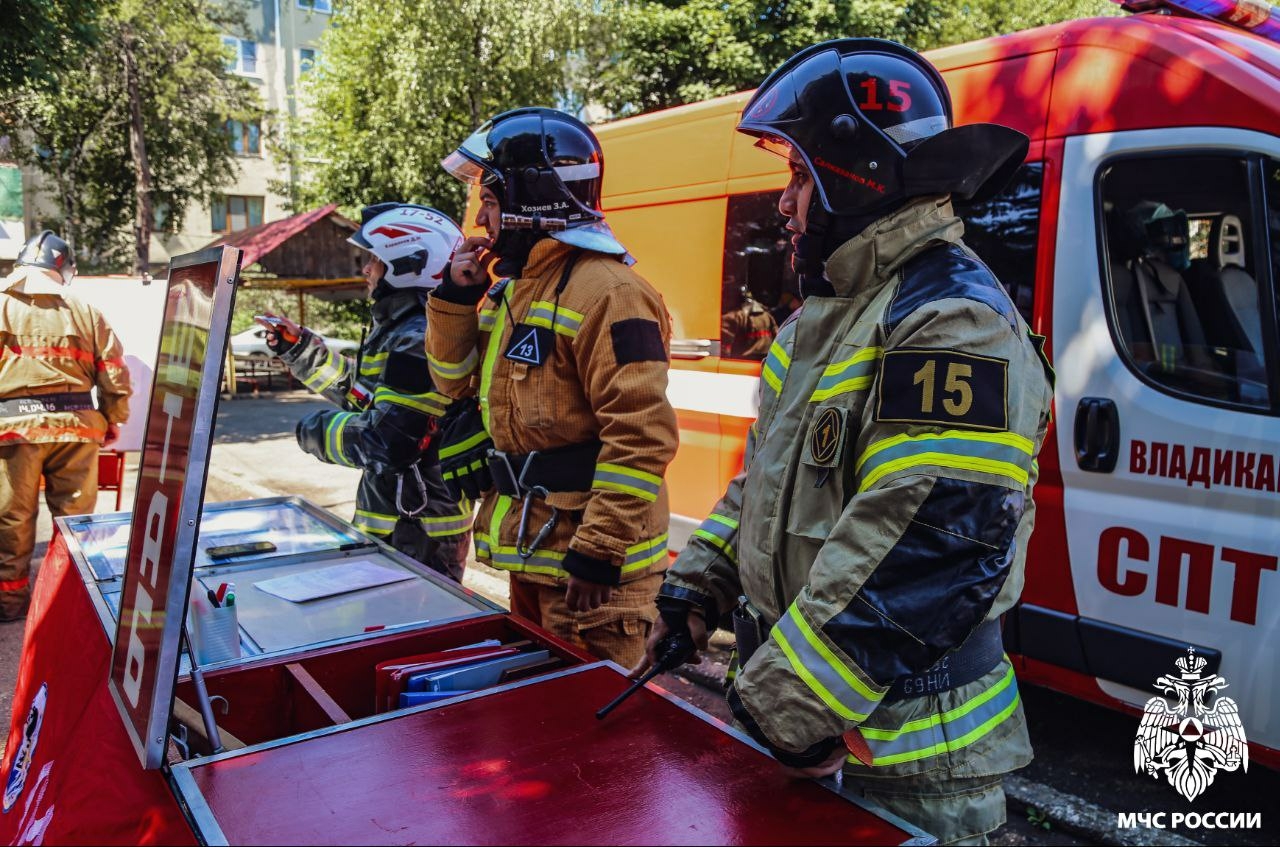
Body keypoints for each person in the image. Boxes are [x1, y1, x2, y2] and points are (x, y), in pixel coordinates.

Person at [639, 39, 1055, 844]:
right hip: (815, 734)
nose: (784, 205)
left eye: (797, 176)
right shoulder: (822, 320)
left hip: (908, 761)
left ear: (852, 171)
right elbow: (761, 485)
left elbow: (931, 542)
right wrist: (697, 588)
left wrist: (791, 701)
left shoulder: (950, 319)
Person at [429, 107, 678, 667]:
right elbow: (453, 383)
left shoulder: (613, 293)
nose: (482, 225)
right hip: (534, 561)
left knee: (602, 745)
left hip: (592, 583)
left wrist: (599, 551)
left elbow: (642, 436)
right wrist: (455, 298)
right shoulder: (510, 292)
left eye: (490, 205)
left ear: (530, 202)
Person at [259, 204, 471, 581]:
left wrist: (315, 431)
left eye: (374, 259)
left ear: (408, 264)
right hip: (402, 525)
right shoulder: (402, 329)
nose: (366, 269)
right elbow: (367, 398)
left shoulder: (417, 338)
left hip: (416, 532)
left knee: (412, 633)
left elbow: (386, 442)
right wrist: (300, 350)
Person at [0, 230, 131, 621]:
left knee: (12, 517)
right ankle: (70, 602)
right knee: (77, 523)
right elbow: (114, 375)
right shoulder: (86, 311)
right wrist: (113, 419)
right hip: (78, 428)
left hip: (14, 430)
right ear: (62, 268)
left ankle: (9, 605)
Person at [720, 283, 777, 360]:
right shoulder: (767, 315)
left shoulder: (734, 318)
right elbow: (777, 336)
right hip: (765, 361)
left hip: (741, 362)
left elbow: (724, 348)